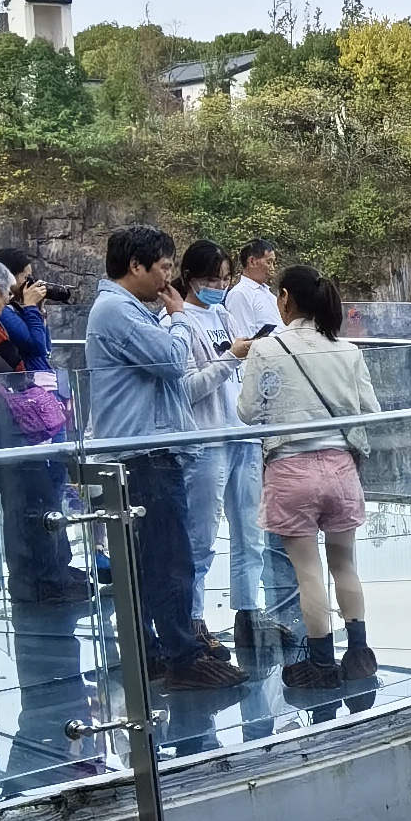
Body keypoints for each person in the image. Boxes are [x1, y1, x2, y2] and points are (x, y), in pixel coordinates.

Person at [83, 227, 239, 690]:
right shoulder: (117, 310)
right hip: (144, 451)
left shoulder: (126, 309)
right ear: (136, 266)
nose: (169, 278)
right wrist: (179, 318)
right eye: (164, 267)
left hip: (143, 448)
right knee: (170, 558)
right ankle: (183, 657)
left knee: (151, 560)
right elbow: (172, 361)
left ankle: (152, 651)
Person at [237, 260, 382, 700]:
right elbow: (370, 410)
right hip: (340, 470)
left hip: (290, 471)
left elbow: (247, 412)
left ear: (285, 299)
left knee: (308, 572)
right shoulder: (347, 350)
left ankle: (320, 663)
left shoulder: (266, 349)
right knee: (344, 564)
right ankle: (358, 654)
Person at [0, 260, 81, 601]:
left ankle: (33, 579)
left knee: (19, 503)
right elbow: (18, 366)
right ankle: (47, 581)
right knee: (35, 501)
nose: (9, 299)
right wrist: (30, 311)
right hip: (9, 427)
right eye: (7, 293)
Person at [218, 240, 287, 664]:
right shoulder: (239, 296)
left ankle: (249, 608)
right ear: (250, 262)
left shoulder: (264, 295)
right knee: (224, 524)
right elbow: (244, 350)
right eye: (267, 259)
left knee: (251, 521)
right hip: (233, 412)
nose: (271, 265)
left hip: (256, 410)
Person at [172, 239, 243, 625]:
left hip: (240, 435)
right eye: (213, 279)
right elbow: (186, 389)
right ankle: (192, 620)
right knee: (200, 537)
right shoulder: (178, 322)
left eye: (225, 278)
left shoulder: (224, 315)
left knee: (249, 532)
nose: (220, 286)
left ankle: (248, 612)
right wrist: (230, 358)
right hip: (206, 440)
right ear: (189, 278)